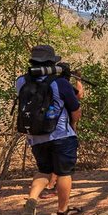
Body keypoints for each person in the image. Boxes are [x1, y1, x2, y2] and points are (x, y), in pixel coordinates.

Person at [16, 45, 82, 215]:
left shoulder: (21, 81)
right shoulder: (59, 83)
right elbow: (75, 110)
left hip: (36, 136)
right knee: (64, 173)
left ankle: (32, 200)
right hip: (61, 135)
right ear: (52, 62)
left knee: (44, 171)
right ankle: (62, 210)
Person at [41, 66, 85, 199]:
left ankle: (51, 186)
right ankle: (53, 187)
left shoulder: (50, 84)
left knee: (52, 161)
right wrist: (78, 79)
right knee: (62, 162)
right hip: (63, 127)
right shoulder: (63, 85)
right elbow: (80, 95)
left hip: (47, 127)